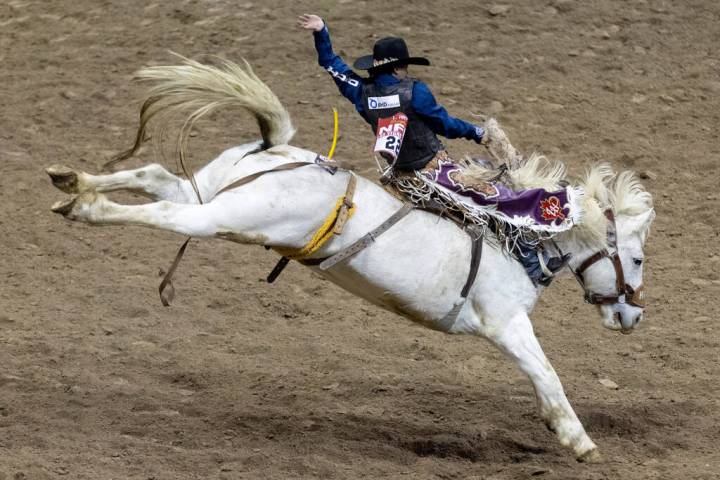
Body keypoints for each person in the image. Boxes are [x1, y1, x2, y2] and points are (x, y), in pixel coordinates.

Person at [298, 14, 569, 285]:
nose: (405, 71)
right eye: (403, 66)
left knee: (482, 174)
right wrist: (478, 132)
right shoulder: (415, 92)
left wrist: (322, 32)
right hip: (433, 172)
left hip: (399, 177)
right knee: (493, 196)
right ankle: (533, 264)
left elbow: (331, 64)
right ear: (396, 68)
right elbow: (445, 124)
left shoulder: (361, 92)